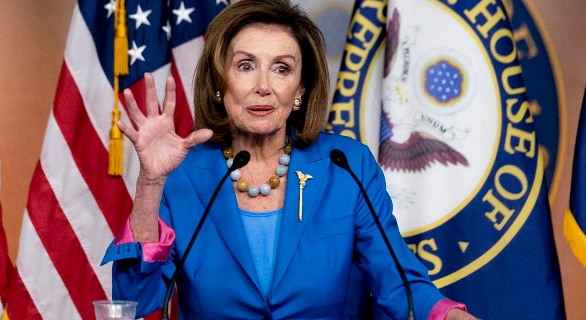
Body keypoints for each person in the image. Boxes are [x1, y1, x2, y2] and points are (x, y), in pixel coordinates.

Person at [101, 0, 478, 319]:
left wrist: (452, 316)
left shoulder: (346, 166)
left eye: (281, 68)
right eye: (245, 65)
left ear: (299, 88)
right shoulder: (181, 175)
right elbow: (135, 300)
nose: (263, 85)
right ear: (219, 83)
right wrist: (150, 183)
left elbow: (400, 282)